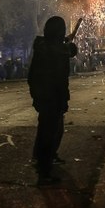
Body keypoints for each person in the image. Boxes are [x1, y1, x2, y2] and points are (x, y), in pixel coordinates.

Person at [27, 16, 78, 186]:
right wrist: (68, 42)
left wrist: (65, 40)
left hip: (43, 96)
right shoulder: (57, 50)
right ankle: (44, 172)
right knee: (49, 134)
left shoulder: (42, 46)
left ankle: (42, 158)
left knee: (47, 130)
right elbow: (71, 50)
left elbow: (60, 47)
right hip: (53, 97)